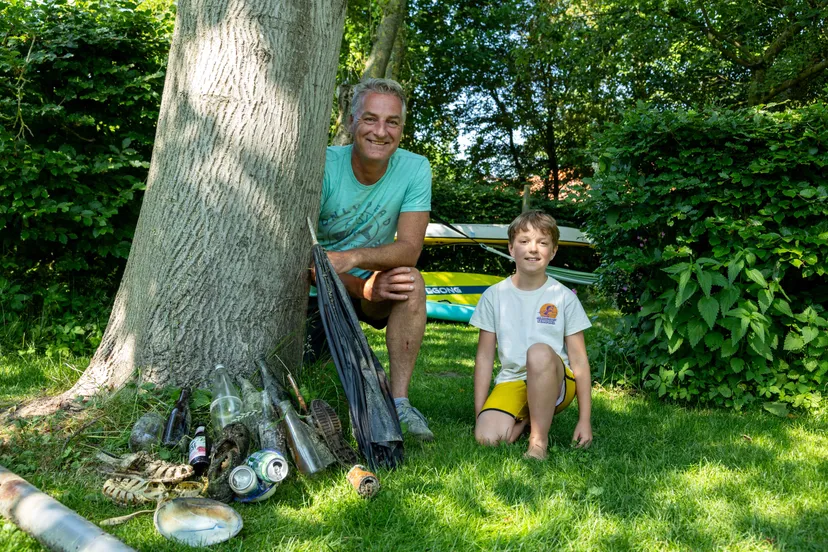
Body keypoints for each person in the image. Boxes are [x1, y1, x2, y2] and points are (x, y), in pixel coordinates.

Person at [309, 78, 434, 441]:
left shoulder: (415, 168)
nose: (381, 131)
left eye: (392, 122)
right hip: (317, 291)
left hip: (369, 284)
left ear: (402, 128)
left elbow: (409, 248)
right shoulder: (323, 165)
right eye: (370, 119)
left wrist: (357, 261)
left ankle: (399, 403)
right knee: (315, 377)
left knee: (411, 282)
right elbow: (307, 265)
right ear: (351, 122)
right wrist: (361, 285)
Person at [469, 211, 593, 459]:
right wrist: (481, 413)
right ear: (511, 248)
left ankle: (538, 442)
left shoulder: (564, 297)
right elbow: (483, 359)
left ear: (553, 251)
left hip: (556, 381)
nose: (533, 249)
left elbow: (579, 361)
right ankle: (525, 418)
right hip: (512, 381)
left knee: (538, 351)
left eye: (542, 242)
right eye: (524, 241)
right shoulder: (494, 295)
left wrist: (584, 420)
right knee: (486, 438)